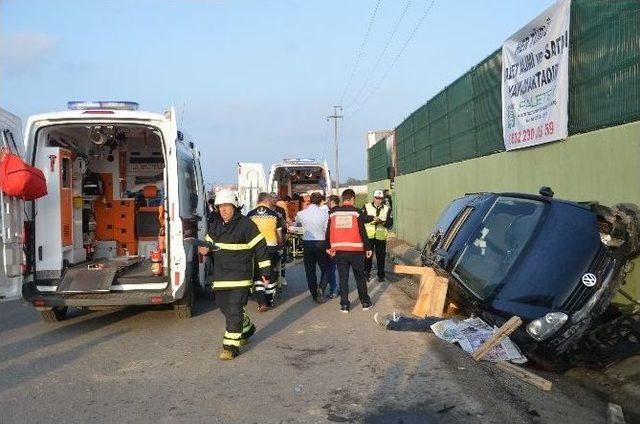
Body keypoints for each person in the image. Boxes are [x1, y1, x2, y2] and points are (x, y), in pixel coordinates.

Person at [199, 189, 271, 360]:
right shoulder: (216, 225)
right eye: (220, 206)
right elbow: (207, 244)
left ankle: (230, 347)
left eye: (226, 206)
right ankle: (247, 328)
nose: (223, 210)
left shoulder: (246, 225)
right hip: (221, 276)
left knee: (233, 309)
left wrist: (265, 272)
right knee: (225, 307)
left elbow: (260, 248)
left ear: (234, 206)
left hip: (241, 275)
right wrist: (204, 249)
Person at [325, 189, 373, 313]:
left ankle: (345, 305)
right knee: (360, 277)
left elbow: (328, 231)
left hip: (340, 251)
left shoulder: (333, 213)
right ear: (352, 199)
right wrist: (368, 248)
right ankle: (365, 302)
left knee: (343, 278)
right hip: (356, 250)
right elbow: (363, 231)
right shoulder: (356, 212)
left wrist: (328, 247)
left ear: (342, 199)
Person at [247, 193, 285, 311]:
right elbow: (279, 235)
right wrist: (280, 245)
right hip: (271, 248)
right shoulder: (275, 215)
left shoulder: (250, 215)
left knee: (258, 273)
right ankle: (269, 301)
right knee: (271, 273)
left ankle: (261, 302)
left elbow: (246, 233)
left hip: (256, 248)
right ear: (266, 200)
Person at [295, 191, 329, 302]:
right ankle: (322, 288)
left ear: (310, 201)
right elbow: (326, 229)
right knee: (325, 268)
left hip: (307, 242)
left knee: (310, 270)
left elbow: (297, 227)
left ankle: (314, 294)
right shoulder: (324, 214)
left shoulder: (301, 214)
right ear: (320, 201)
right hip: (321, 242)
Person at [362, 190, 392, 282]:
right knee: (368, 256)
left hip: (381, 236)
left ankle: (381, 275)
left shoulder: (387, 209)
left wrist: (383, 223)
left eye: (380, 199)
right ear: (373, 198)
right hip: (369, 237)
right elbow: (361, 219)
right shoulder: (366, 206)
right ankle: (366, 273)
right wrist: (371, 218)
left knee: (381, 257)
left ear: (382, 199)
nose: (378, 200)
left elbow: (390, 223)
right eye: (376, 198)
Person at [322, 194, 340, 298]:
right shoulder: (343, 212)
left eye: (328, 202)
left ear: (332, 202)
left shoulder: (330, 214)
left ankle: (334, 290)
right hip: (343, 244)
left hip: (333, 244)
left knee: (332, 268)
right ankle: (341, 288)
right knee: (342, 269)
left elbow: (328, 231)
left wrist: (327, 246)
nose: (327, 204)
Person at [272, 193, 289, 288]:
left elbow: (284, 224)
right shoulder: (267, 210)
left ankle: (282, 276)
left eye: (276, 198)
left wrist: (284, 234)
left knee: (283, 258)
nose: (274, 200)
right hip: (270, 237)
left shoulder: (280, 210)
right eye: (272, 198)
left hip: (280, 235)